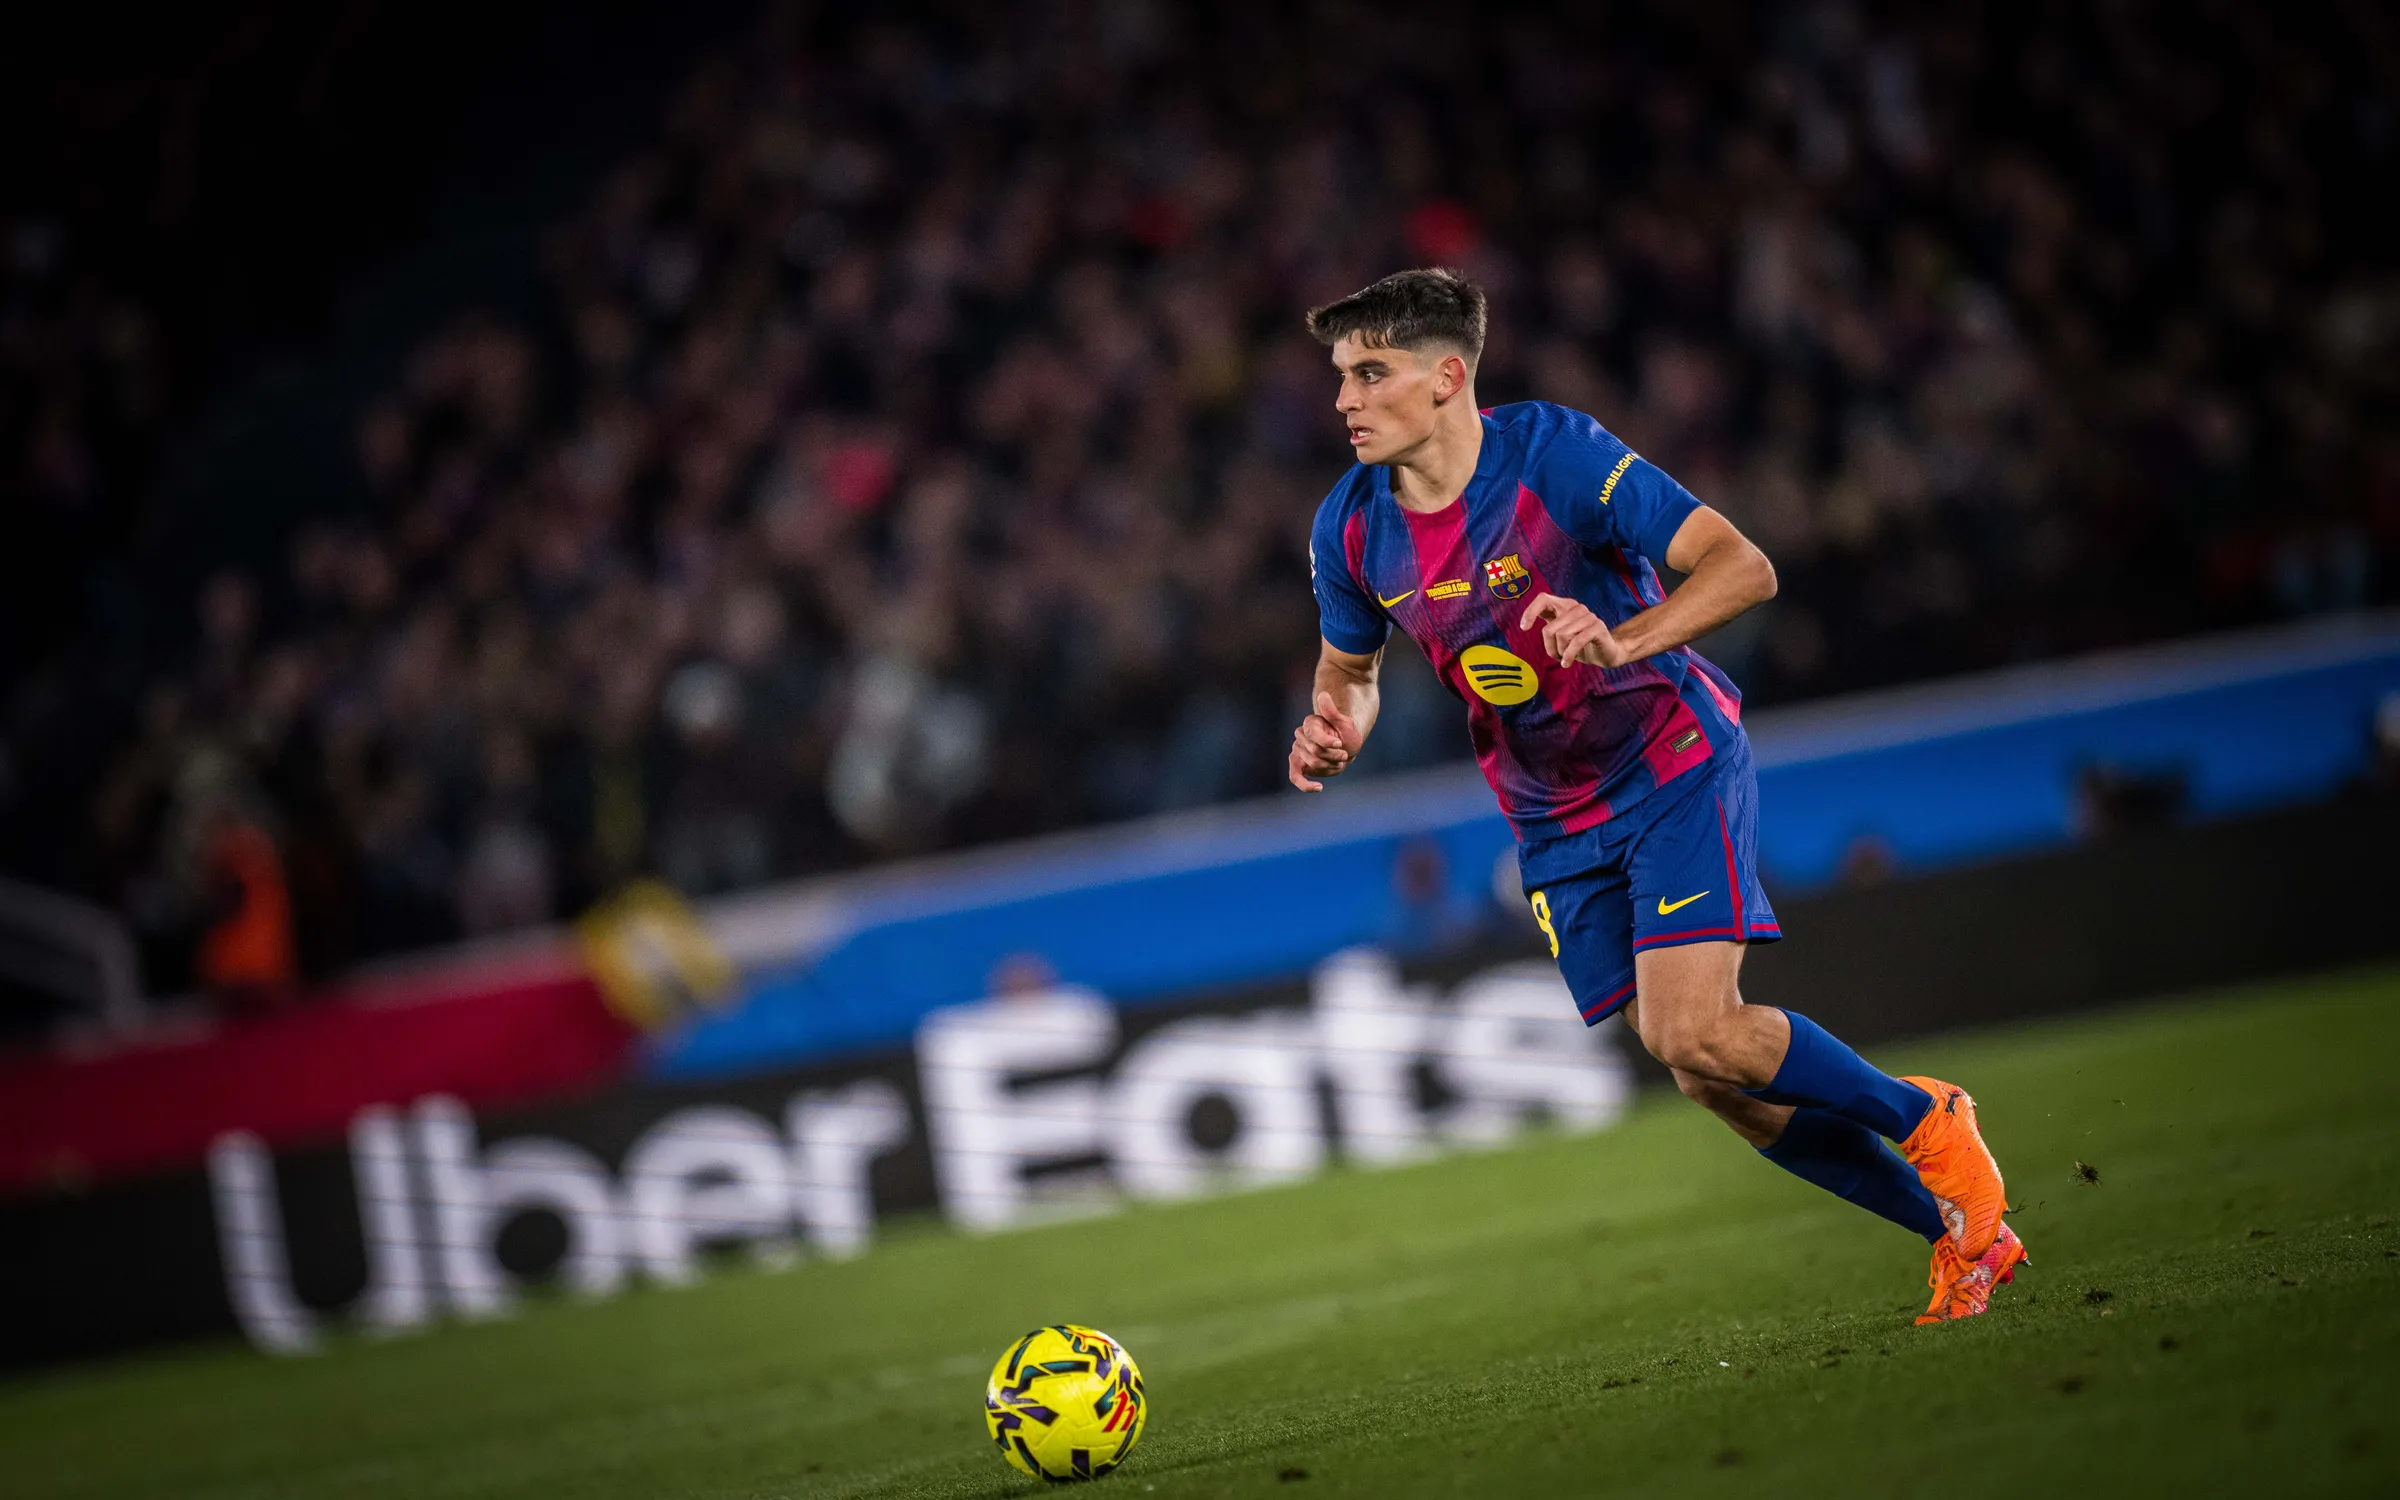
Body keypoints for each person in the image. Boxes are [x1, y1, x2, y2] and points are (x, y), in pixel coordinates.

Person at [1286, 268, 2022, 1324]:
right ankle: (1960, 1236)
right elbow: (1350, 671)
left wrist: (1622, 639)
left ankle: (1926, 1115)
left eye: (1370, 373)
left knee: (1690, 1031)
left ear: (1447, 378)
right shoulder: (1352, 527)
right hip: (1549, 815)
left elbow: (1742, 567)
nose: (1344, 400)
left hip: (1670, 759)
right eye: (1341, 377)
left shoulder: (1555, 458)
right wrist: (1337, 727)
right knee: (1704, 1074)